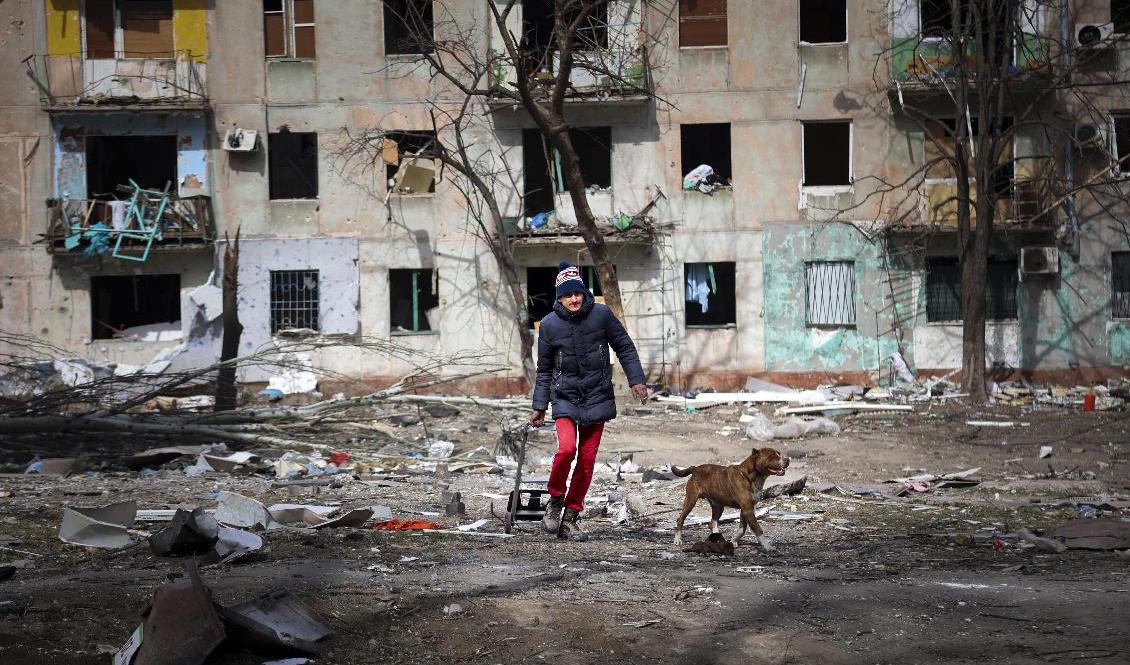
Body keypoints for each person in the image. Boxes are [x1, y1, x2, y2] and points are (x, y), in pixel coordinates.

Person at [530, 262, 648, 541]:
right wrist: (539, 406)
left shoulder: (601, 315)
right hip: (565, 397)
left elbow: (625, 346)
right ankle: (556, 498)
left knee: (587, 460)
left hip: (597, 396)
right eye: (567, 295)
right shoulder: (548, 325)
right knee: (567, 449)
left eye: (577, 293)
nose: (574, 299)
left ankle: (570, 518)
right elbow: (544, 369)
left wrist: (636, 380)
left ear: (584, 293)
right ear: (559, 297)